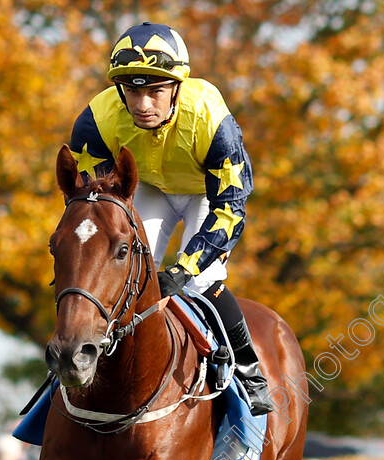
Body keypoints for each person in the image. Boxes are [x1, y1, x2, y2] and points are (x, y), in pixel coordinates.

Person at [69, 21, 272, 415]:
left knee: (201, 279)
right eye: (132, 91)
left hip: (205, 194)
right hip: (149, 187)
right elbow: (94, 208)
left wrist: (184, 268)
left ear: (178, 86)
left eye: (156, 91)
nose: (143, 105)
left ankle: (248, 368)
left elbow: (230, 208)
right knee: (120, 268)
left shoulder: (213, 120)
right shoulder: (95, 121)